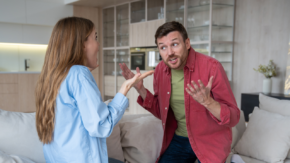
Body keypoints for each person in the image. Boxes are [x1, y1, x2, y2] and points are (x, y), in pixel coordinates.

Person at [35, 17, 153, 163]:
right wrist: (125, 88)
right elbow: (102, 126)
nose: (98, 44)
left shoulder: (52, 76)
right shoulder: (78, 74)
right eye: (95, 37)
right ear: (82, 44)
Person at [119, 21, 240, 163]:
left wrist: (208, 102)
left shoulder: (212, 67)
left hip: (210, 141)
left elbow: (234, 118)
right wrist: (141, 89)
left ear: (187, 43)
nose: (169, 53)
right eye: (163, 47)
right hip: (180, 140)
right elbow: (161, 112)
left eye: (174, 44)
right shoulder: (160, 71)